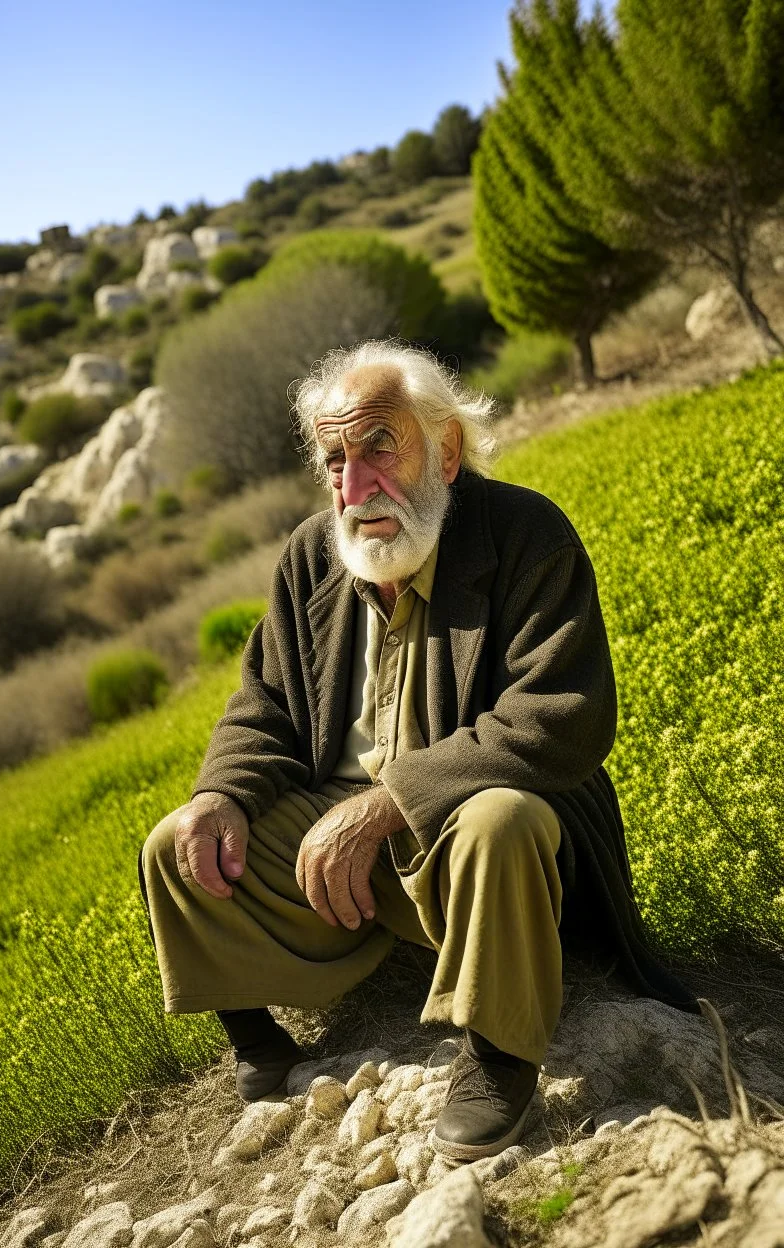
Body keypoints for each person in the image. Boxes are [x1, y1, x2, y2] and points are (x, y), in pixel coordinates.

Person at [139, 339, 699, 1162]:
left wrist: (391, 801)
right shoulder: (311, 557)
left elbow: (561, 715)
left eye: (379, 448)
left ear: (445, 448)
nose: (354, 486)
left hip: (479, 847)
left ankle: (498, 1056)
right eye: (335, 459)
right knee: (179, 842)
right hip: (355, 860)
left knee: (497, 822)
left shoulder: (523, 534)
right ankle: (261, 1047)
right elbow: (263, 706)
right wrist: (221, 791)